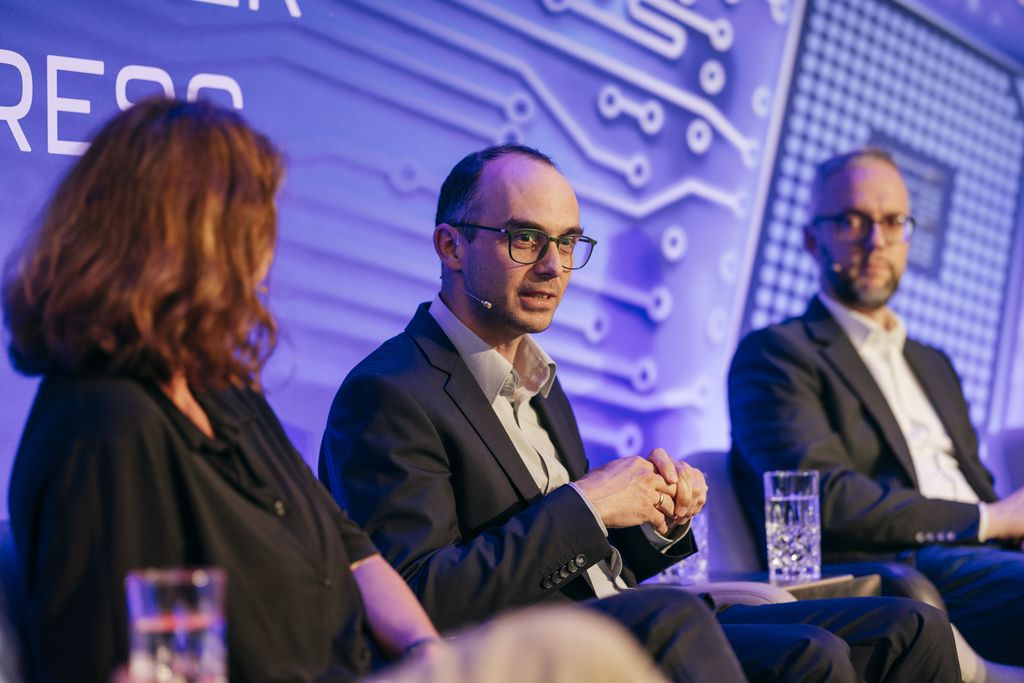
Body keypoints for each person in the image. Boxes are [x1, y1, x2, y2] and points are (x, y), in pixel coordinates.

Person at [3, 100, 660, 683]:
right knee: (580, 648)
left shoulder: (224, 393)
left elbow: (351, 549)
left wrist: (427, 651)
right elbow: (122, 650)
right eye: (249, 227)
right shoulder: (103, 425)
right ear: (177, 243)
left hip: (367, 665)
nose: (264, 256)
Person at [319, 143, 960, 683]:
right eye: (525, 239)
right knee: (806, 654)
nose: (553, 266)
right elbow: (422, 597)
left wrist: (659, 521)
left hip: (630, 611)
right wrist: (591, 503)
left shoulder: (538, 378)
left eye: (568, 243)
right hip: (540, 650)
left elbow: (592, 559)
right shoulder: (390, 393)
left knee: (911, 626)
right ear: (450, 246)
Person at [728, 147, 1024, 667]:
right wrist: (989, 519)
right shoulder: (777, 354)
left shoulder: (935, 365)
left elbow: (970, 479)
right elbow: (826, 499)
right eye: (852, 220)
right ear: (811, 238)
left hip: (988, 556)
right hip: (904, 571)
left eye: (893, 222)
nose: (876, 240)